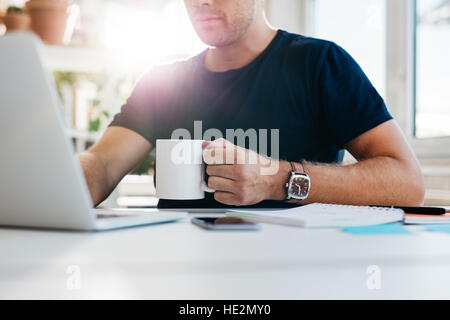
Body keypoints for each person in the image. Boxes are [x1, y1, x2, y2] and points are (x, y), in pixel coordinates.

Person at [78, 0, 425, 209]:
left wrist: (278, 180)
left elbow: (407, 182)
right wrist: (62, 174)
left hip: (288, 274)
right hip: (178, 269)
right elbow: (102, 165)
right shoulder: (161, 82)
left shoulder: (320, 64)